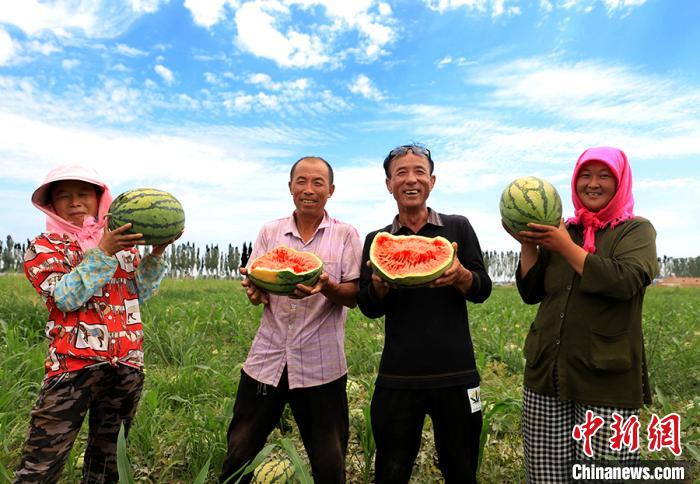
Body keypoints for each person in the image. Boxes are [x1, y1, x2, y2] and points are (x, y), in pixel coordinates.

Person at [504, 147, 658, 482]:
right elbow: (532, 292)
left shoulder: (635, 231)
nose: (593, 183)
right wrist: (528, 242)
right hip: (547, 375)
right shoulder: (563, 229)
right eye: (585, 175)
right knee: (547, 475)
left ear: (620, 183)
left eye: (604, 176)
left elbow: (624, 281)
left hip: (606, 379)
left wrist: (563, 246)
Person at [14, 165, 175, 483]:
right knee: (42, 461)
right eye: (64, 196)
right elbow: (65, 297)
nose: (75, 202)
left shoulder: (124, 247)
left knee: (108, 462)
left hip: (126, 365)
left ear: (99, 199)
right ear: (52, 205)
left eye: (83, 194)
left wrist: (157, 252)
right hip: (71, 368)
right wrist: (103, 252)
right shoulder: (45, 248)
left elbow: (138, 293)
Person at [219, 156, 362, 484]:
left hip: (321, 366)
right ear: (290, 187)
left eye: (317, 183)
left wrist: (326, 286)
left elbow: (354, 296)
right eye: (301, 181)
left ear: (331, 190)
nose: (308, 189)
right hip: (265, 361)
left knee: (329, 462)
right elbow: (258, 283)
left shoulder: (346, 234)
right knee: (239, 453)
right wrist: (254, 292)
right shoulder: (270, 232)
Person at [357, 144, 492, 483]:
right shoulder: (377, 239)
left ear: (432, 180)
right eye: (401, 173)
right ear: (389, 184)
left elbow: (483, 288)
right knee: (390, 469)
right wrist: (381, 285)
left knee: (461, 469)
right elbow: (368, 306)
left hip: (457, 373)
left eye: (419, 171)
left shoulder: (457, 228)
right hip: (398, 376)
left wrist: (461, 276)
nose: (411, 179)